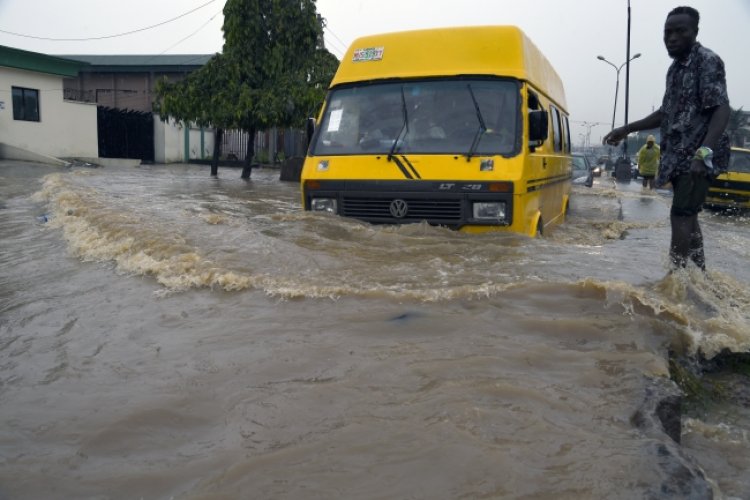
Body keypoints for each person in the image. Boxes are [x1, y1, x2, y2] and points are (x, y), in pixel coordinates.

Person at [602, 6, 730, 271]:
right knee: (688, 214)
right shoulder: (675, 70)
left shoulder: (707, 61)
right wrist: (626, 129)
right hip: (678, 155)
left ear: (695, 32)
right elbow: (665, 113)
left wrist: (703, 153)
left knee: (680, 215)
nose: (671, 37)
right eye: (667, 32)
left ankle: (676, 281)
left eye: (679, 31)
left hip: (697, 156)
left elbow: (721, 108)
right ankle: (698, 276)